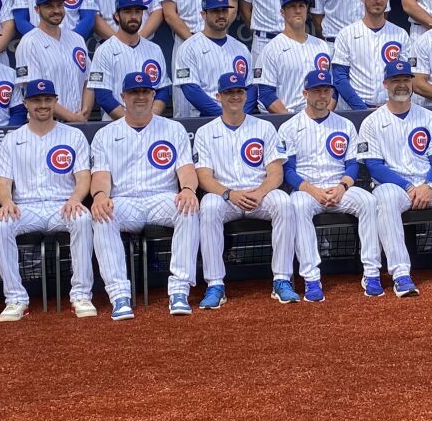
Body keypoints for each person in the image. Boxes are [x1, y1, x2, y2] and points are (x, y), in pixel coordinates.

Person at [358, 59, 432, 295]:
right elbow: (373, 165)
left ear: (412, 83)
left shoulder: (429, 117)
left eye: (405, 79)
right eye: (396, 80)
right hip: (393, 185)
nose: (401, 85)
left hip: (427, 184)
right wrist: (409, 186)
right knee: (387, 199)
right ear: (385, 84)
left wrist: (429, 185)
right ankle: (401, 273)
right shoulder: (372, 121)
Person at [89, 71, 200, 318]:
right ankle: (119, 295)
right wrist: (99, 196)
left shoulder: (174, 129)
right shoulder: (105, 134)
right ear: (123, 97)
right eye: (134, 92)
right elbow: (100, 177)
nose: (140, 97)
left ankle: (179, 291)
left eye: (145, 92)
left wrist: (188, 189)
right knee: (101, 214)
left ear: (153, 95)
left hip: (162, 197)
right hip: (125, 200)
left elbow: (187, 170)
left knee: (189, 207)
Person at [0, 79, 95, 320]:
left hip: (62, 204)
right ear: (26, 103)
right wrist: (6, 202)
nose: (42, 105)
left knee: (82, 218)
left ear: (55, 101)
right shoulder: (11, 140)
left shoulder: (73, 135)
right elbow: (3, 183)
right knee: (0, 224)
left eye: (47, 100)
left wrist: (76, 198)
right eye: (37, 100)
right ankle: (15, 298)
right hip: (25, 207)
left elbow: (83, 177)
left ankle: (81, 294)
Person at [193, 73, 294, 306]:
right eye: (229, 92)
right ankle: (215, 283)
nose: (235, 96)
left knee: (283, 202)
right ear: (219, 96)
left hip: (259, 194)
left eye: (239, 91)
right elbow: (203, 176)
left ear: (246, 94)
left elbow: (276, 173)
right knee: (208, 206)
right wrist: (229, 193)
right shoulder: (205, 132)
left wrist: (260, 192)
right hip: (226, 197)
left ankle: (282, 279)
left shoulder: (264, 127)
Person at [280, 69, 377, 301]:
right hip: (307, 189)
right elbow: (288, 170)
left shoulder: (344, 125)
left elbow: (353, 164)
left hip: (339, 187)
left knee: (369, 202)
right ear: (305, 93)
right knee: (298, 206)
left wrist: (342, 187)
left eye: (326, 90)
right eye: (317, 91)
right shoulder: (290, 127)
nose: (322, 95)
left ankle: (372, 272)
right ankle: (311, 278)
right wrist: (313, 190)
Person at [14, 0, 91, 123]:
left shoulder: (77, 39)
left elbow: (88, 81)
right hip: (46, 123)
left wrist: (84, 112)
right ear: (37, 9)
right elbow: (35, 93)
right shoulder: (29, 43)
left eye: (60, 5)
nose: (56, 10)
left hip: (80, 122)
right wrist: (73, 118)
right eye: (49, 6)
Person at [87, 0, 171, 119]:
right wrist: (131, 121)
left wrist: (151, 119)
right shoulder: (104, 50)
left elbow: (162, 90)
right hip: (115, 125)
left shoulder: (155, 49)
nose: (133, 16)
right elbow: (103, 95)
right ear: (117, 16)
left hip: (151, 124)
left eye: (137, 12)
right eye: (127, 11)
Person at [331, 0, 409, 110]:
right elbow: (339, 78)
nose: (378, 0)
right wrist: (361, 109)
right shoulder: (346, 34)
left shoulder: (400, 34)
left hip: (391, 108)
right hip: (357, 108)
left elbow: (407, 77)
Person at [174, 0, 254, 116]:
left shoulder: (241, 48)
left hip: (239, 119)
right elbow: (191, 89)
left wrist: (241, 116)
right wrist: (222, 116)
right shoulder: (188, 48)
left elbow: (251, 87)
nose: (221, 15)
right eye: (215, 11)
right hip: (203, 118)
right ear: (203, 15)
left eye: (224, 10)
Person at [257, 0, 331, 115]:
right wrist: (290, 119)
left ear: (307, 10)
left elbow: (332, 88)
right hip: (287, 117)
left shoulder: (322, 46)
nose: (297, 10)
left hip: (320, 118)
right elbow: (265, 93)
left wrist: (327, 115)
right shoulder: (271, 49)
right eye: (292, 6)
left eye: (301, 6)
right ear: (282, 12)